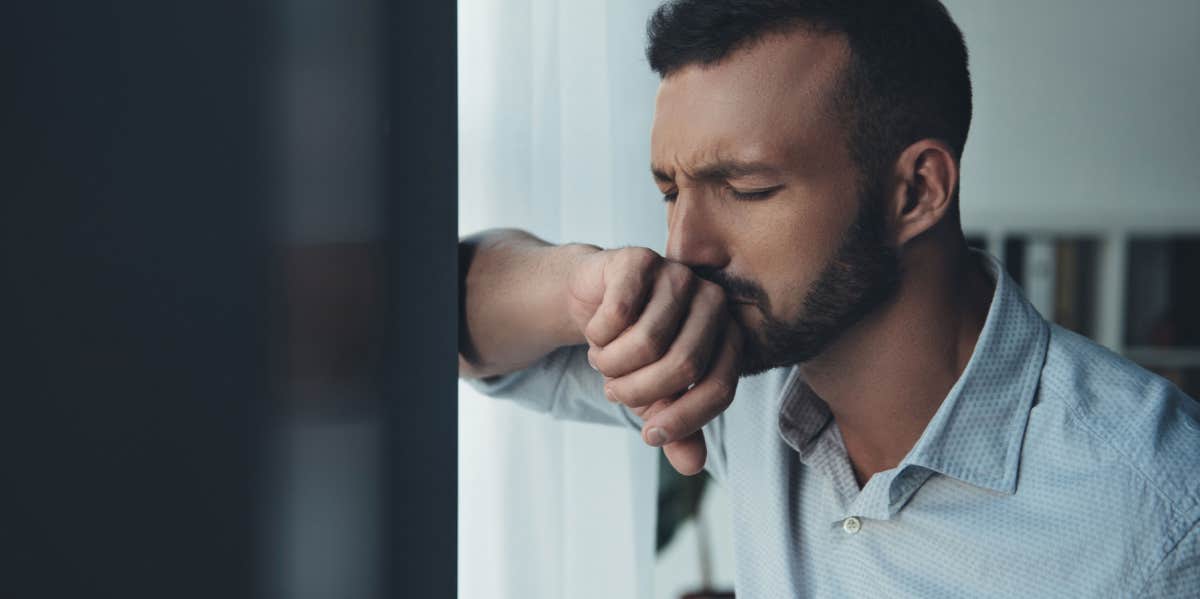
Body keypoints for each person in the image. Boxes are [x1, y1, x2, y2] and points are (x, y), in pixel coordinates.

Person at [457, 1, 1200, 596]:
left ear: (917, 191)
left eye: (746, 189)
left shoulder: (1159, 514)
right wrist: (579, 285)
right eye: (670, 191)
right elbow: (451, 319)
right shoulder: (726, 361)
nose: (686, 248)